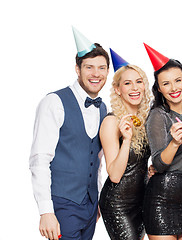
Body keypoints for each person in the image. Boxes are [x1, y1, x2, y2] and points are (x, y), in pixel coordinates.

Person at [29, 27, 109, 240]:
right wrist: (46, 211)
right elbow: (39, 159)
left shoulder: (103, 108)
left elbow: (97, 160)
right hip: (63, 205)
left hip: (91, 208)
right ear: (77, 69)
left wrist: (98, 199)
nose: (96, 74)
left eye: (101, 68)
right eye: (89, 67)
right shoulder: (54, 102)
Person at [142, 43, 182, 240]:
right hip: (163, 198)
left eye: (178, 80)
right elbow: (159, 164)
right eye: (166, 83)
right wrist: (174, 143)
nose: (174, 87)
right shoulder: (157, 115)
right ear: (159, 88)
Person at [98, 48, 151, 240]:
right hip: (117, 204)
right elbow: (114, 174)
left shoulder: (147, 119)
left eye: (139, 82)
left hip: (142, 201)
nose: (134, 88)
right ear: (118, 89)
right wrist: (127, 139)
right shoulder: (111, 122)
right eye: (127, 83)